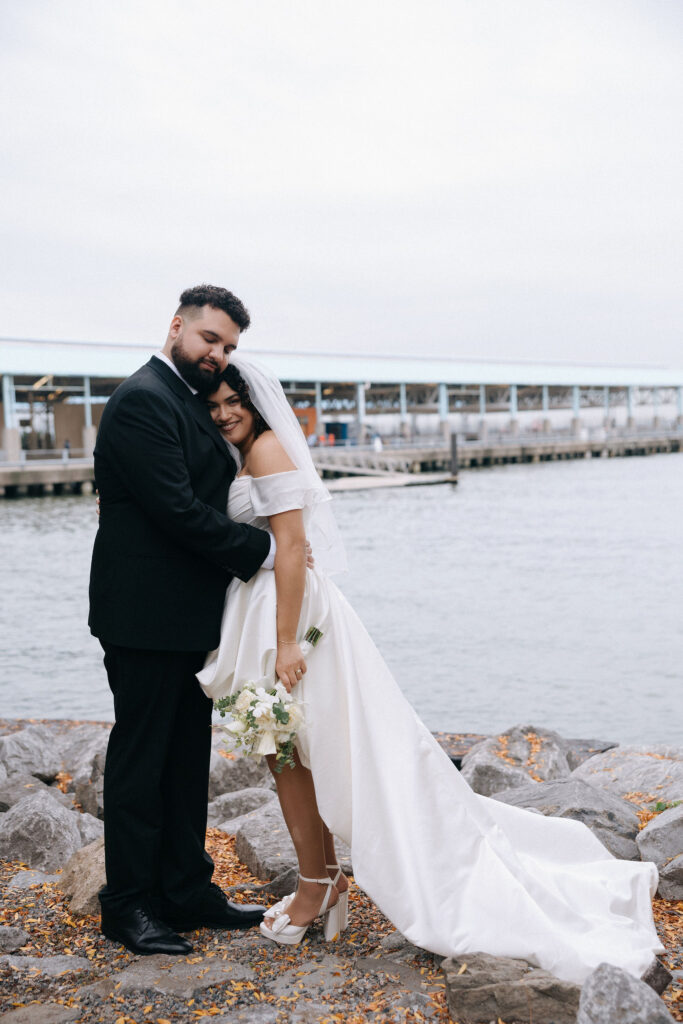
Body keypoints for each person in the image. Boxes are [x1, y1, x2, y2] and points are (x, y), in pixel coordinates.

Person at [196, 354, 664, 984]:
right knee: (293, 753)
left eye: (235, 402)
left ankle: (316, 886)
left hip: (290, 617)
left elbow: (295, 544)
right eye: (215, 404)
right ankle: (323, 879)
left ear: (256, 403)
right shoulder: (245, 452)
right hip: (274, 608)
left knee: (291, 751)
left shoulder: (267, 449)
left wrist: (284, 643)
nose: (225, 413)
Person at [89, 285, 275, 956]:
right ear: (176, 327)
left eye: (228, 347)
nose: (217, 355)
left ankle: (186, 889)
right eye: (209, 340)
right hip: (141, 615)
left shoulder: (188, 399)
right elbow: (176, 511)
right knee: (142, 763)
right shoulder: (143, 400)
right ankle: (129, 905)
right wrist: (268, 550)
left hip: (189, 613)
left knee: (185, 757)